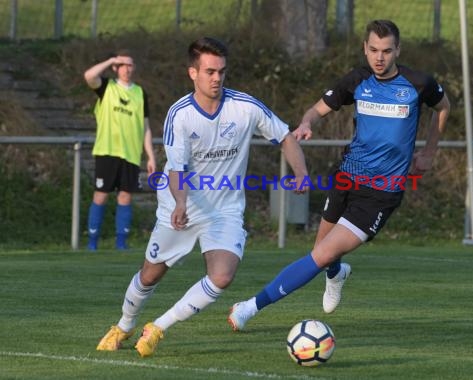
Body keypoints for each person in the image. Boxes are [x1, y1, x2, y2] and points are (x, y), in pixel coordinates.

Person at [228, 19, 451, 330]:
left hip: (381, 193)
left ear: (398, 50)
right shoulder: (357, 80)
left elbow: (443, 107)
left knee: (320, 255)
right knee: (322, 255)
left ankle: (250, 307)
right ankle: (337, 274)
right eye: (373, 50)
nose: (379, 58)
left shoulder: (418, 83)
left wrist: (428, 152)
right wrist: (306, 124)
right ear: (365, 48)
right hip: (346, 176)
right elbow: (316, 110)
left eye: (387, 51)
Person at [96, 37, 308, 357]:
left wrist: (301, 173)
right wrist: (181, 203)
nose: (216, 78)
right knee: (150, 273)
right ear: (192, 73)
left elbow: (286, 136)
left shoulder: (245, 107)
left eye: (221, 71)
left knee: (222, 275)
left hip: (224, 210)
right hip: (181, 204)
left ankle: (158, 328)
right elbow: (176, 170)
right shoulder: (180, 115)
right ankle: (124, 325)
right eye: (209, 71)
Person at [84, 50, 156, 250]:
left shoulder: (140, 93)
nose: (127, 69)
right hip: (107, 151)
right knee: (101, 195)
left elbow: (146, 127)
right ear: (116, 67)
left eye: (130, 65)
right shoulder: (107, 86)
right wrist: (110, 60)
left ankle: (121, 244)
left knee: (125, 196)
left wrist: (150, 156)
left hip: (131, 154)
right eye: (123, 65)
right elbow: (89, 76)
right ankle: (92, 244)